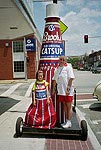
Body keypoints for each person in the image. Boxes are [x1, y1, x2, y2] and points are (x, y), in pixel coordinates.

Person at [52, 55, 75, 128]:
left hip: (67, 91)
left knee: (69, 106)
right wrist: (53, 89)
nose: (62, 61)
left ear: (65, 61)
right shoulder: (57, 69)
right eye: (60, 59)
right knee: (64, 106)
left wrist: (68, 89)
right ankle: (66, 121)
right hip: (61, 91)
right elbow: (54, 80)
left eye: (63, 60)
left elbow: (71, 78)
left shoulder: (68, 67)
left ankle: (69, 121)